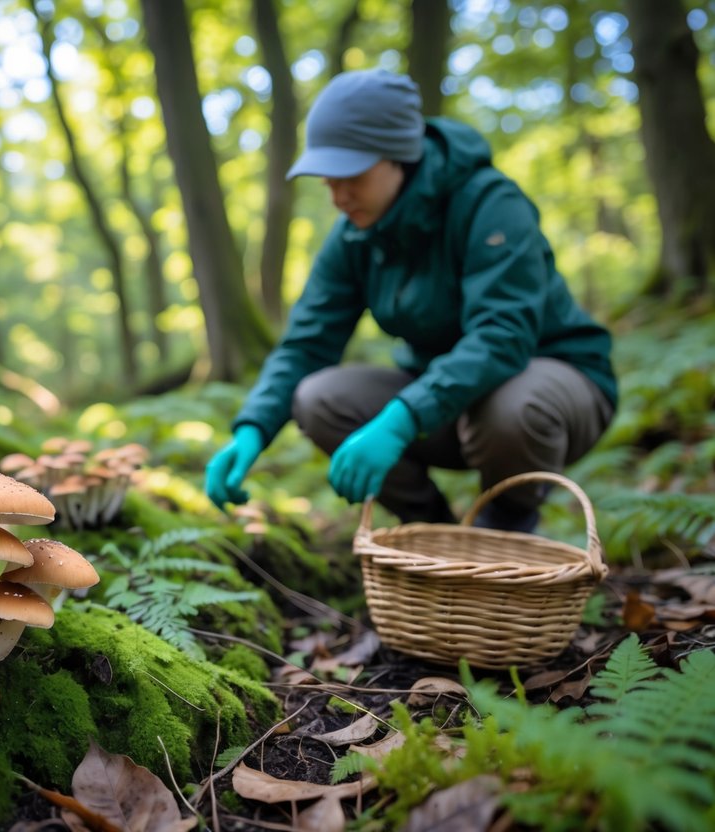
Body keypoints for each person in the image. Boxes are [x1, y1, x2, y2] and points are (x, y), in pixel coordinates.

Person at [205, 68, 617, 533]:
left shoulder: (490, 203)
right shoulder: (354, 237)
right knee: (319, 398)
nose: (338, 196)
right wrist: (252, 428)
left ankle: (508, 526)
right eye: (327, 179)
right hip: (447, 400)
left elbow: (504, 336)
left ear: (400, 155)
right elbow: (306, 345)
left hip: (553, 387)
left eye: (351, 176)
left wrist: (402, 418)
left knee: (510, 408)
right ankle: (432, 535)